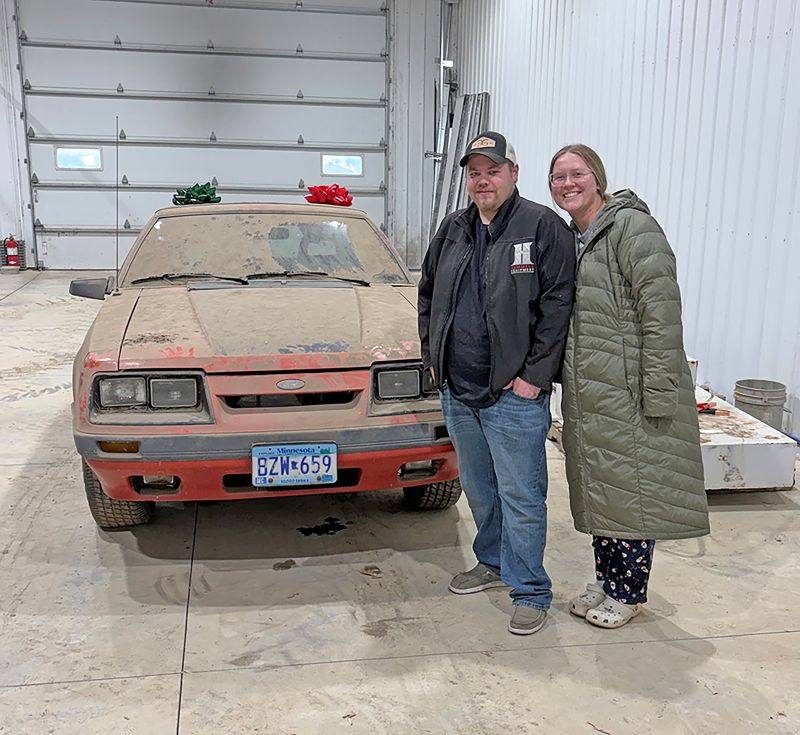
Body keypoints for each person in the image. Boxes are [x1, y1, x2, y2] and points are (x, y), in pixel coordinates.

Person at [418, 131, 576, 635]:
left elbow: (558, 307)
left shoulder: (541, 226)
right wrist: (434, 360)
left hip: (514, 395)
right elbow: (426, 295)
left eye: (493, 169)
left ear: (513, 173)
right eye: (474, 172)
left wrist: (534, 378)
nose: (483, 179)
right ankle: (491, 561)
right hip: (459, 390)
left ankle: (530, 588)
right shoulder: (453, 229)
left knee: (522, 496)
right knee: (480, 490)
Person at [548, 144, 710, 629]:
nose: (568, 183)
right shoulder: (575, 237)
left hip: (629, 388)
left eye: (577, 174)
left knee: (635, 490)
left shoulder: (632, 227)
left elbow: (661, 311)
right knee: (604, 488)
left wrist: (659, 389)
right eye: (558, 177)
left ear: (597, 178)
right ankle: (607, 579)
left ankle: (628, 591)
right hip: (590, 389)